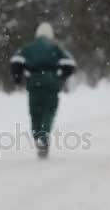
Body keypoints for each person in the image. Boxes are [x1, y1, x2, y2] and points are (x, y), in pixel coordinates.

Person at [10, 22, 76, 158]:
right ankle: (44, 137)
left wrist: (18, 78)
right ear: (50, 34)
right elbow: (70, 63)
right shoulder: (55, 47)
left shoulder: (28, 48)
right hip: (51, 84)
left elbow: (15, 61)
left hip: (34, 84)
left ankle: (37, 135)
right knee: (48, 112)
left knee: (35, 112)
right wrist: (61, 77)